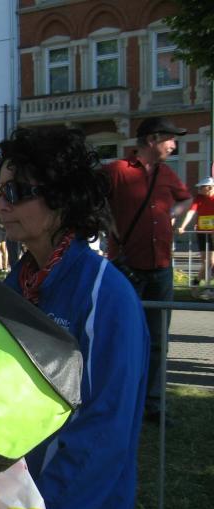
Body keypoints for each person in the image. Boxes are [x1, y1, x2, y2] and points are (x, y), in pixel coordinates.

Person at [0, 126, 149, 509]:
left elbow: (104, 427)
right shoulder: (18, 284)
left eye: (16, 192)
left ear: (60, 197)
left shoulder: (105, 294)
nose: (0, 205)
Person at [104, 116, 191, 423]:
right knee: (123, 339)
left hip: (161, 267)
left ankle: (153, 405)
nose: (174, 145)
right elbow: (91, 200)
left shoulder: (167, 174)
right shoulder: (117, 171)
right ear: (152, 140)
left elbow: (186, 199)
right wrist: (110, 227)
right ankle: (121, 402)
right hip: (127, 268)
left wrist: (171, 215)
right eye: (170, 139)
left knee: (158, 341)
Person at [178, 177, 214, 299]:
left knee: (211, 262)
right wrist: (182, 226)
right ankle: (196, 284)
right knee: (206, 263)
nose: (199, 189)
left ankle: (207, 288)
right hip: (202, 232)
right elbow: (191, 212)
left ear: (210, 188)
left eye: (201, 187)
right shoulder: (199, 198)